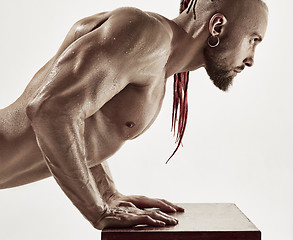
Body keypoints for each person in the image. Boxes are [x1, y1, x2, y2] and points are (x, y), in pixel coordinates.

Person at [0, 0, 268, 229]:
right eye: (252, 40)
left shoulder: (159, 59)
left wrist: (108, 194)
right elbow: (51, 111)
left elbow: (83, 119)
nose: (252, 58)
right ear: (217, 26)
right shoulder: (147, 35)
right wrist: (98, 211)